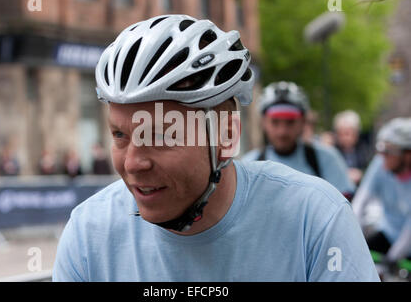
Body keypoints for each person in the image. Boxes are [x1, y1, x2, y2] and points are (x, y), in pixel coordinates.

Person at [53, 14, 378, 281]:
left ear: (223, 136)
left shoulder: (317, 218)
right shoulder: (88, 234)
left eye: (161, 137)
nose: (134, 163)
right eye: (119, 135)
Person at [242, 82, 355, 200]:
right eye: (275, 122)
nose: (282, 131)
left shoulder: (327, 159)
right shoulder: (249, 166)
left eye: (290, 122)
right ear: (263, 122)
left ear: (303, 122)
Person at [352, 118, 411, 267]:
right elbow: (360, 201)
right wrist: (353, 236)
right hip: (388, 232)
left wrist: (393, 257)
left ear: (407, 154)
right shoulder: (380, 162)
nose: (383, 156)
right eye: (382, 150)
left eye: (389, 151)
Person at [333, 110, 371, 186]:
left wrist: (361, 174)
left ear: (356, 133)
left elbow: (370, 171)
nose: (344, 138)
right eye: (340, 134)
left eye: (347, 133)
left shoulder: (365, 150)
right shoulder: (332, 150)